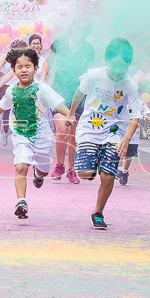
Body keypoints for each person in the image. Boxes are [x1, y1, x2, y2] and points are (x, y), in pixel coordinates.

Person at [0, 47, 69, 220]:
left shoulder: (42, 88)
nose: (24, 70)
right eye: (19, 67)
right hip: (21, 136)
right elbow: (2, 106)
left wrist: (70, 115)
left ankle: (38, 174)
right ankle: (21, 202)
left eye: (28, 66)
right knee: (21, 166)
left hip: (42, 137)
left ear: (35, 68)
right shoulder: (11, 90)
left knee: (43, 171)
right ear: (14, 71)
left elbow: (58, 104)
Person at [68, 38, 142, 230]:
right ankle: (92, 165)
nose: (118, 71)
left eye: (123, 67)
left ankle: (98, 213)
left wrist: (127, 138)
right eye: (115, 65)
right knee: (84, 173)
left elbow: (135, 115)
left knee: (108, 176)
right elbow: (78, 94)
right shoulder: (93, 76)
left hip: (114, 132)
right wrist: (70, 113)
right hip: (89, 129)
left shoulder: (130, 85)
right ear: (106, 60)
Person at [48, 20, 95, 183]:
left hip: (79, 95)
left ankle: (71, 168)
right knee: (62, 129)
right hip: (59, 94)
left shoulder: (89, 49)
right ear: (73, 27)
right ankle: (59, 165)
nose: (82, 32)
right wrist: (41, 81)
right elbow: (48, 61)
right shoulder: (60, 43)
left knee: (73, 135)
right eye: (80, 28)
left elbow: (90, 72)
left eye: (85, 30)